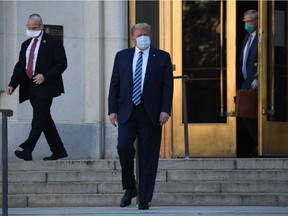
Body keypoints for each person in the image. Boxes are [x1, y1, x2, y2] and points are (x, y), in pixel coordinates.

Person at [108, 23, 173, 210]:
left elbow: (168, 87)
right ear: (133, 38)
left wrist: (165, 110)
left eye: (146, 34)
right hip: (127, 111)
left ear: (151, 35)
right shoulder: (122, 56)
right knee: (123, 147)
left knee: (148, 156)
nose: (143, 37)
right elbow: (115, 84)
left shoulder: (162, 57)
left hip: (151, 113)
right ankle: (130, 188)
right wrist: (112, 110)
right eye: (139, 35)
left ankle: (144, 198)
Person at [6, 14, 68, 161]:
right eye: (29, 27)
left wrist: (45, 76)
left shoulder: (53, 42)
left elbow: (61, 64)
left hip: (46, 86)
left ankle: (27, 149)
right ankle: (59, 150)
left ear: (41, 26)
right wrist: (12, 84)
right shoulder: (26, 44)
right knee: (45, 119)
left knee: (38, 118)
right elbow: (21, 66)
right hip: (30, 86)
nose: (31, 30)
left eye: (34, 27)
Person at [238, 9, 258, 156]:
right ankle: (258, 144)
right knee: (244, 114)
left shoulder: (261, 36)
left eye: (250, 21)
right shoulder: (247, 36)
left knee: (254, 116)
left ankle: (260, 146)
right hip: (246, 82)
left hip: (257, 82)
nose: (247, 24)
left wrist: (258, 77)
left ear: (257, 21)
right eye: (245, 22)